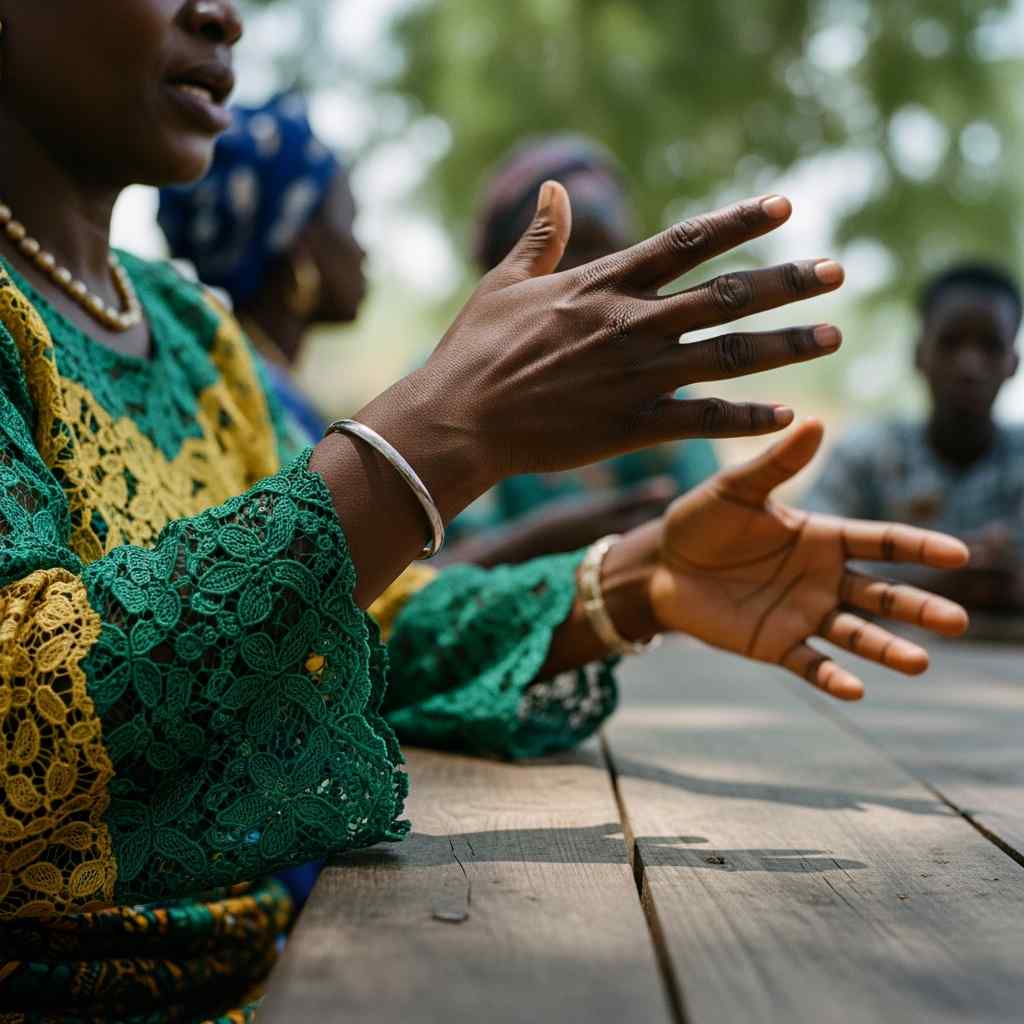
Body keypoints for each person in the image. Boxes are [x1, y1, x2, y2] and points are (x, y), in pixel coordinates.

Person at [0, 2, 968, 1020]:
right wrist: (439, 433)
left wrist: (634, 582)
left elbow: (336, 638)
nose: (221, 13)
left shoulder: (194, 334)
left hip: (290, 969)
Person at [447, 136, 720, 563]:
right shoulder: (448, 388)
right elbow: (414, 588)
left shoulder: (661, 391)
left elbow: (712, 525)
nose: (599, 274)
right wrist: (544, 541)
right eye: (577, 247)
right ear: (508, 263)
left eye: (618, 252)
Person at [804, 262, 1024, 612]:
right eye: (950, 343)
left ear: (1012, 363)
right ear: (919, 355)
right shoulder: (866, 455)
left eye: (990, 346)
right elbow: (804, 559)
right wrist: (934, 581)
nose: (969, 365)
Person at [159, 92, 366, 454]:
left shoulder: (240, 380)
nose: (362, 251)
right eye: (350, 223)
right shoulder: (254, 404)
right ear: (300, 246)